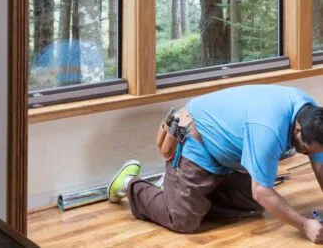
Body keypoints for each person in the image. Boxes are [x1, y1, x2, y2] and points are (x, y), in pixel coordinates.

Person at [107, 84, 323, 243]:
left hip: (225, 154)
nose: (307, 154)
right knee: (183, 220)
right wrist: (304, 225)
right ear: (297, 130)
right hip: (196, 142)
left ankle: (178, 191)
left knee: (253, 205)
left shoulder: (311, 116)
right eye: (306, 150)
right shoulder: (268, 130)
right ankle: (129, 183)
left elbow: (320, 165)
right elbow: (261, 191)